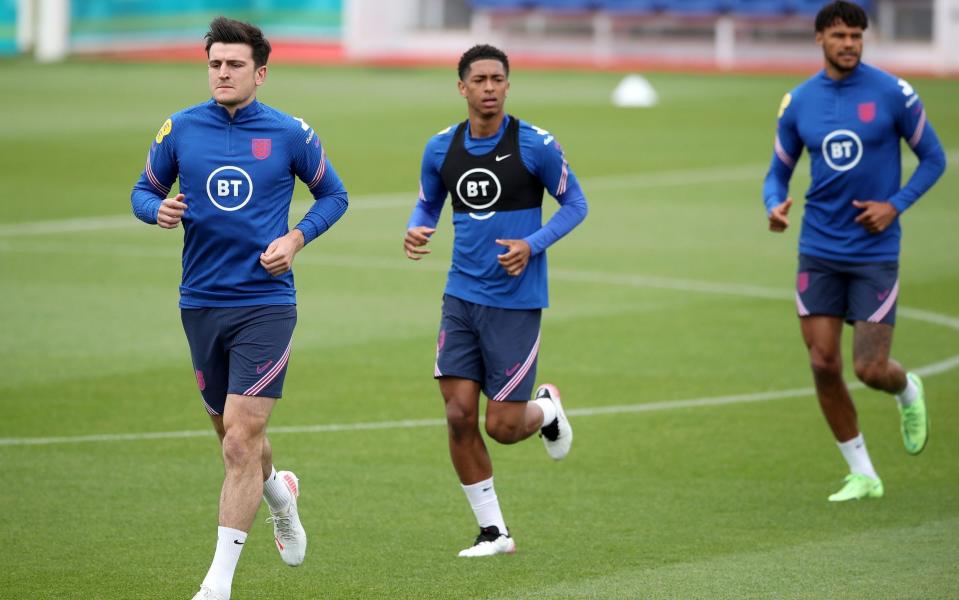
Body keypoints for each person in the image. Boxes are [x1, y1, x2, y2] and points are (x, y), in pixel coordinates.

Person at [130, 17, 348, 600]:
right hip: (200, 301)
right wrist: (157, 211)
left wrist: (297, 239)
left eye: (233, 64)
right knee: (232, 434)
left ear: (261, 72)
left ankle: (217, 584)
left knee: (238, 441)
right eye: (214, 64)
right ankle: (280, 493)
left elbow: (335, 194)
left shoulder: (290, 134)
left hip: (265, 304)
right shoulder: (179, 129)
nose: (221, 73)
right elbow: (142, 190)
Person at [404, 44, 588, 556]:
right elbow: (427, 201)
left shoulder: (536, 145)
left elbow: (576, 203)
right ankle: (494, 532)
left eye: (498, 79)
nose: (489, 88)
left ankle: (545, 410)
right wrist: (417, 229)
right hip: (461, 296)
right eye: (479, 80)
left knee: (503, 427)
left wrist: (533, 245)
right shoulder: (441, 148)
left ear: (508, 85)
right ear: (461, 88)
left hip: (515, 300)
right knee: (459, 414)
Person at [763, 1, 946, 502]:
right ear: (819, 39)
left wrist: (896, 205)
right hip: (818, 247)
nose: (849, 44)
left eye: (857, 36)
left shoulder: (893, 93)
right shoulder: (799, 102)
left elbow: (933, 158)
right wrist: (774, 205)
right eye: (840, 35)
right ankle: (863, 472)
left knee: (869, 368)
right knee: (824, 364)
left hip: (873, 251)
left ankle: (907, 389)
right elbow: (777, 172)